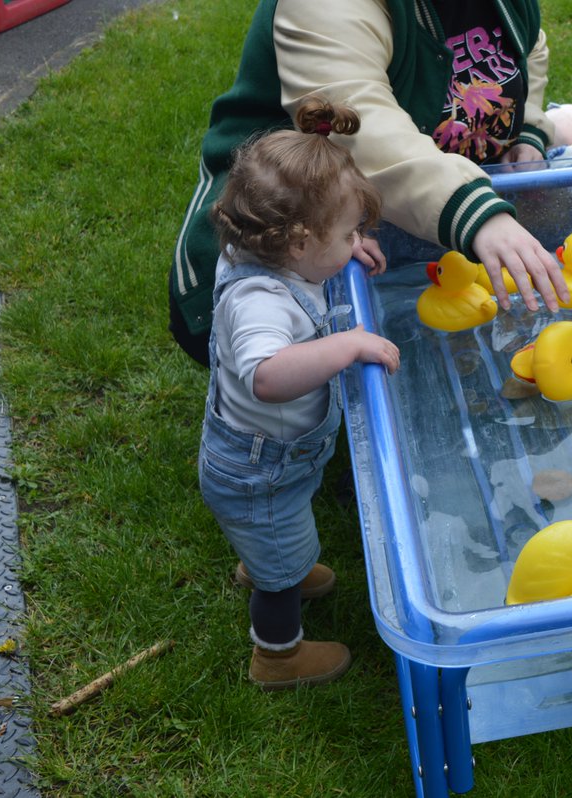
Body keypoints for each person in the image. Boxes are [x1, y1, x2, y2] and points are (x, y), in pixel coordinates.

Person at [172, 0, 572, 366]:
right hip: (291, 210)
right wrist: (478, 215)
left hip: (427, 176)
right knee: (306, 345)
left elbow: (527, 47)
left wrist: (526, 131)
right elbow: (360, 128)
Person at [199, 97, 401, 690]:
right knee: (280, 577)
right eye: (349, 233)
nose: (356, 241)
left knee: (278, 536)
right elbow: (267, 374)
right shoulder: (259, 301)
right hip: (259, 471)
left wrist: (341, 250)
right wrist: (348, 345)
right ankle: (278, 655)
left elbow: (314, 252)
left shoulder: (260, 249)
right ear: (298, 243)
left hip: (271, 463)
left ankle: (268, 553)